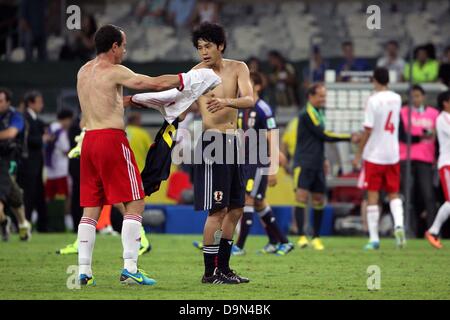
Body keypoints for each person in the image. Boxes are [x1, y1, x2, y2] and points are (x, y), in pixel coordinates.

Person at [75, 24, 190, 286]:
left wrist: (128, 102)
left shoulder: (83, 71)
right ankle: (130, 268)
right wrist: (187, 80)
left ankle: (84, 271)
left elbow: (103, 102)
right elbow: (153, 83)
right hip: (111, 140)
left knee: (90, 208)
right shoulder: (115, 70)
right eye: (123, 45)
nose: (125, 50)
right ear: (114, 46)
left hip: (89, 140)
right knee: (136, 200)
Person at [191, 22, 254, 284]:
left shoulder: (238, 67)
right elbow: (176, 97)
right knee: (217, 210)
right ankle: (209, 273)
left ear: (221, 46)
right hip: (212, 143)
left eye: (208, 46)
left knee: (237, 208)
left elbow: (250, 99)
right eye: (199, 48)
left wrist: (226, 101)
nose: (203, 52)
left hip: (234, 142)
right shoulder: (196, 74)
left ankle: (224, 269)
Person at [233, 72, 293, 256]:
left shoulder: (263, 108)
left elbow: (272, 136)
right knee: (258, 202)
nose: (242, 87)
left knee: (248, 200)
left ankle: (239, 246)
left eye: (247, 83)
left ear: (257, 86)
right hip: (246, 161)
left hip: (259, 162)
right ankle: (280, 242)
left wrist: (273, 168)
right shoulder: (243, 108)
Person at [293, 83, 354, 250]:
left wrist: (325, 158)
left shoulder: (320, 113)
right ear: (310, 97)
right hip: (304, 162)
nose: (323, 99)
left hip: (318, 162)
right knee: (301, 197)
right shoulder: (307, 114)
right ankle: (302, 236)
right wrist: (349, 137)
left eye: (324, 96)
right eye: (320, 96)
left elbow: (318, 140)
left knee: (319, 199)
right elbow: (324, 134)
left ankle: (316, 237)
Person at [353, 67, 406, 250]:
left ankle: (374, 238)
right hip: (392, 154)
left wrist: (359, 153)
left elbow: (368, 129)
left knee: (372, 195)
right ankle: (399, 225)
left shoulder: (373, 100)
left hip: (374, 154)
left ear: (374, 80)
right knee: (394, 194)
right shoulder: (397, 98)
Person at [399, 85, 439, 237]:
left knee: (428, 195)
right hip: (406, 157)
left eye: (417, 96)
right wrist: (422, 136)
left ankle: (433, 231)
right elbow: (404, 135)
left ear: (424, 97)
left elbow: (437, 134)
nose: (415, 99)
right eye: (412, 96)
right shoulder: (402, 113)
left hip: (426, 158)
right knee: (407, 196)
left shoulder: (434, 114)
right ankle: (408, 231)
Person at [0, 88, 32, 241]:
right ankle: (18, 223)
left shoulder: (15, 116)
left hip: (10, 157)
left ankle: (19, 223)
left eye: (0, 101)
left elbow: (11, 133)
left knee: (8, 188)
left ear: (8, 102)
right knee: (12, 192)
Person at [17, 90, 49, 232]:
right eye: (39, 102)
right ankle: (25, 223)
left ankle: (42, 226)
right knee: (28, 194)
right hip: (27, 162)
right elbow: (25, 139)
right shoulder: (24, 118)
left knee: (38, 194)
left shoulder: (35, 119)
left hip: (37, 163)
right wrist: (42, 139)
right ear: (30, 103)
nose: (42, 105)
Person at [425, 90, 450, 249]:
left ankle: (433, 231)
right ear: (445, 103)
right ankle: (433, 231)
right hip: (447, 164)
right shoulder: (442, 118)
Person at [44, 109, 73, 203]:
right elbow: (66, 149)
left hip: (50, 168)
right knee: (64, 195)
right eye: (70, 120)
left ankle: (51, 216)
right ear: (66, 119)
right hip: (61, 170)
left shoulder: (50, 128)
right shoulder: (61, 132)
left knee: (49, 195)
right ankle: (64, 217)